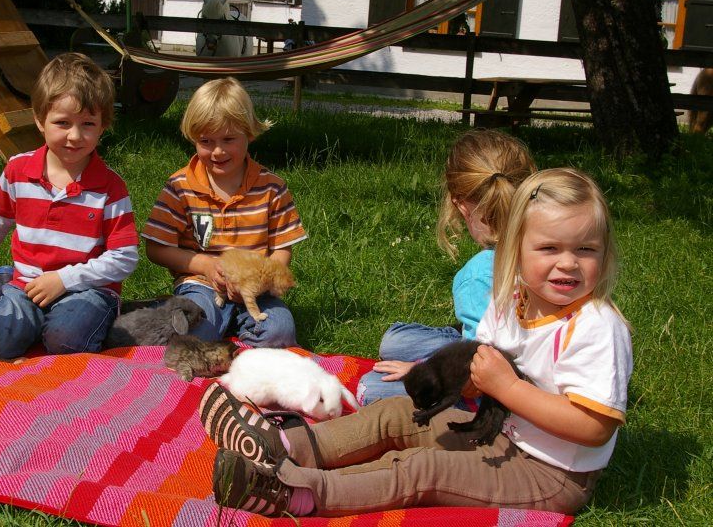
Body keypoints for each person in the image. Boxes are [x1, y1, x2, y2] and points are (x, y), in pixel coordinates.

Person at [199, 167, 632, 517]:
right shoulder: (512, 298)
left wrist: (508, 389)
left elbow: (594, 428)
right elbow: (473, 369)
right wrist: (451, 377)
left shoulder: (595, 327)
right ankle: (283, 447)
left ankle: (297, 492)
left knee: (420, 469)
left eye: (586, 250)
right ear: (516, 249)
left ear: (605, 253)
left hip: (550, 474)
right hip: (497, 432)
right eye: (549, 248)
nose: (568, 263)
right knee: (394, 413)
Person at [0, 53, 138, 359]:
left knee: (67, 340)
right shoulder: (18, 171)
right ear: (39, 120)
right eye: (62, 123)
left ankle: (48, 322)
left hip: (87, 290)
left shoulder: (110, 187)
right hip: (27, 284)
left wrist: (65, 280)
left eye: (88, 124)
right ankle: (7, 285)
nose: (75, 136)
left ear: (103, 126)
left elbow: (125, 258)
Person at [357, 129, 536, 404]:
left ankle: (437, 355)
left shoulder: (479, 275)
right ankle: (451, 341)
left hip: (501, 390)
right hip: (520, 357)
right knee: (395, 340)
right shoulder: (548, 249)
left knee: (369, 388)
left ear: (460, 205)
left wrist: (422, 371)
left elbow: (481, 372)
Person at [141, 77, 307, 348]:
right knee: (192, 334)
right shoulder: (181, 187)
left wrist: (262, 282)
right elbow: (156, 248)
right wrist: (205, 265)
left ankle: (241, 354)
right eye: (206, 141)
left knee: (280, 333)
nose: (217, 151)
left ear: (249, 133)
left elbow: (282, 249)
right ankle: (201, 327)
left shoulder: (271, 188)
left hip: (257, 291)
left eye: (228, 139)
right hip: (201, 284)